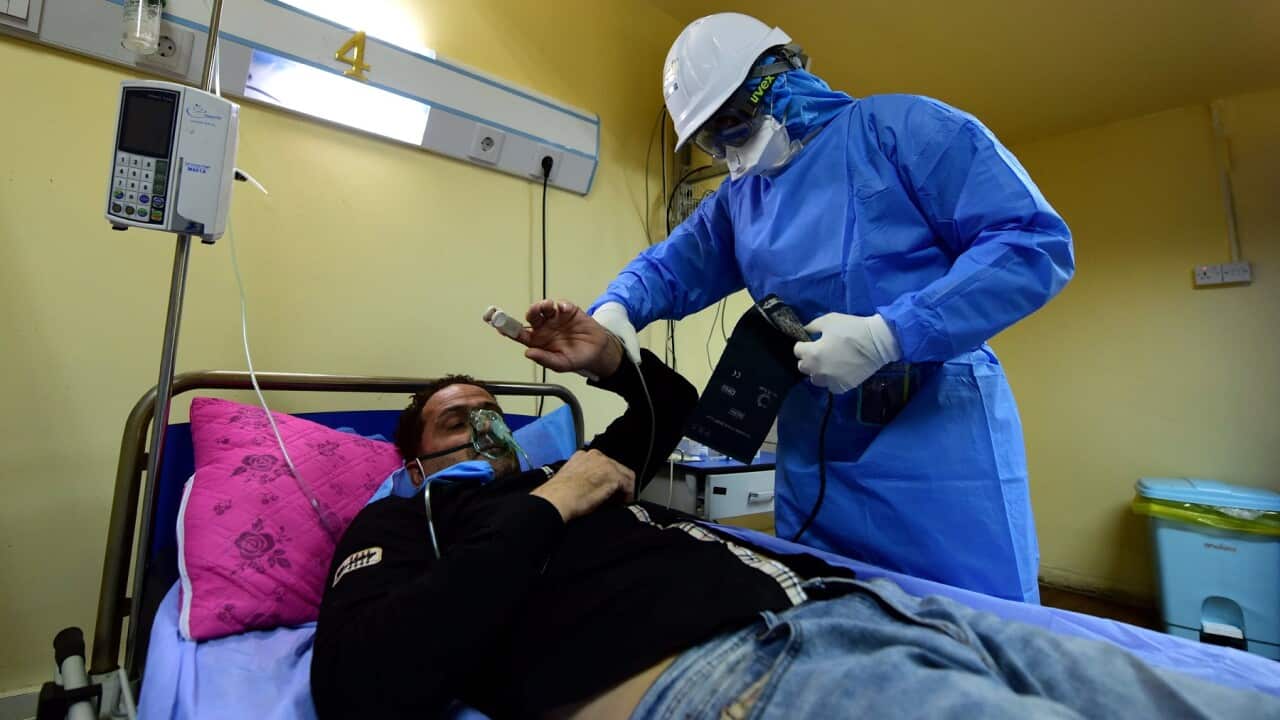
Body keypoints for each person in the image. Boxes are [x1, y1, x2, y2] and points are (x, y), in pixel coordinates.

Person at [309, 300, 1276, 720]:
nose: (481, 424)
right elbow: (360, 686)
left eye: (490, 410)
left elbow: (672, 418)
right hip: (723, 671)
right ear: (413, 452)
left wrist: (605, 361)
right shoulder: (403, 523)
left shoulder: (568, 473)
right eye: (454, 419)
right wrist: (548, 509)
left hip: (864, 607)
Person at [589, 12, 1076, 602]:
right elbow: (672, 264)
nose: (729, 153)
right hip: (817, 439)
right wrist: (616, 307)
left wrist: (889, 335)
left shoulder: (901, 129)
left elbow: (1031, 242)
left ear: (780, 75)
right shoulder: (742, 200)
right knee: (828, 613)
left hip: (934, 442)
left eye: (733, 125)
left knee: (971, 624)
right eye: (712, 141)